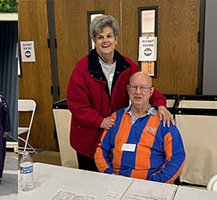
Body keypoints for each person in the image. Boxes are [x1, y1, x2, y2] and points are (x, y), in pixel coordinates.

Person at [65, 15, 168, 172]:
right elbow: (76, 104)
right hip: (88, 138)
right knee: (90, 180)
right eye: (100, 37)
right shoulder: (82, 68)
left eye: (109, 36)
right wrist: (99, 121)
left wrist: (160, 105)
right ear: (94, 41)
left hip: (115, 134)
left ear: (116, 39)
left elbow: (143, 86)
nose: (105, 41)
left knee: (111, 177)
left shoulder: (127, 65)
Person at [94, 74, 185, 184]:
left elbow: (177, 159)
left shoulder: (164, 121)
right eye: (134, 87)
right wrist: (110, 174)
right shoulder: (115, 118)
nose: (138, 92)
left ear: (151, 91)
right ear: (128, 90)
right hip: (116, 182)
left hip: (152, 184)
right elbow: (101, 150)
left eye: (143, 88)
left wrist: (153, 183)